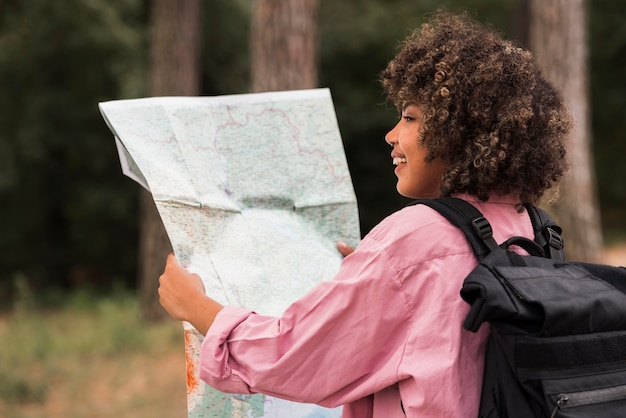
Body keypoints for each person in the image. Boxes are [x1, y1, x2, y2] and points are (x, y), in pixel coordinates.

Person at [158, 10, 571, 417]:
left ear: (456, 132)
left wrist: (196, 307)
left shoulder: (415, 236)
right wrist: (378, 275)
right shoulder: (533, 227)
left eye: (409, 117)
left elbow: (293, 354)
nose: (391, 134)